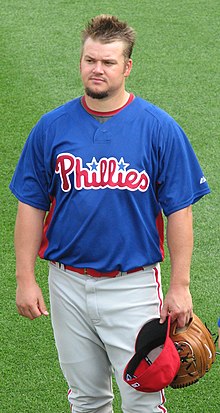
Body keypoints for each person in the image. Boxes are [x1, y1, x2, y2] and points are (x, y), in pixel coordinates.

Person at [10, 14, 210, 413]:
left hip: (132, 288)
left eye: (108, 62)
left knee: (143, 398)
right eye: (90, 60)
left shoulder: (159, 129)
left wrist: (180, 285)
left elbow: (179, 211)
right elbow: (31, 204)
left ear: (127, 67)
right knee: (86, 399)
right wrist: (25, 277)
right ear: (81, 61)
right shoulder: (51, 127)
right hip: (65, 284)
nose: (96, 69)